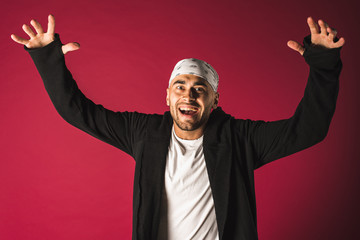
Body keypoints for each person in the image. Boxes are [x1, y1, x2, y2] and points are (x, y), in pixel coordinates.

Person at [11, 14, 344, 240]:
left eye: (200, 88)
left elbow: (309, 128)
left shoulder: (240, 138)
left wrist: (324, 65)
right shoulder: (142, 133)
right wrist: (48, 58)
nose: (190, 94)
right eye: (181, 86)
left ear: (214, 101)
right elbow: (78, 112)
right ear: (167, 96)